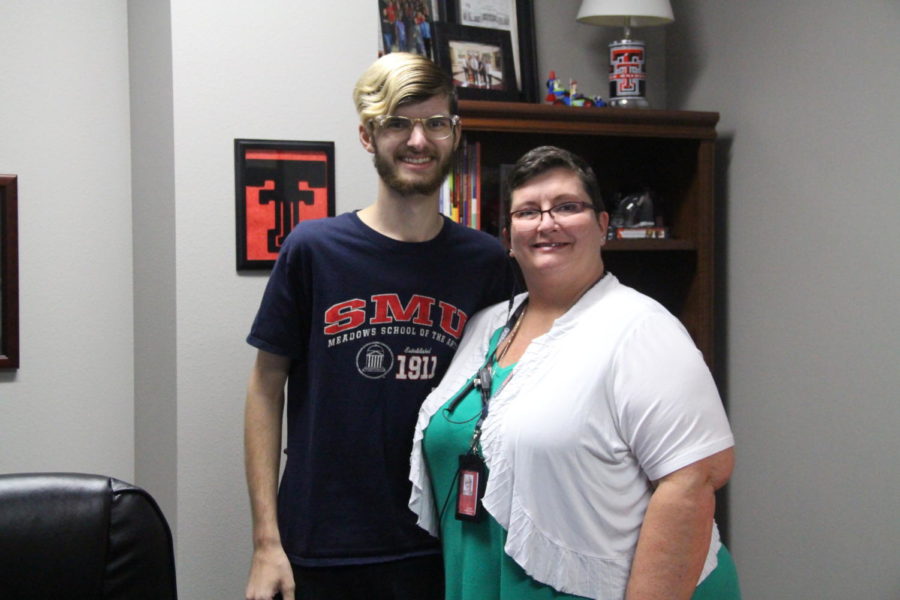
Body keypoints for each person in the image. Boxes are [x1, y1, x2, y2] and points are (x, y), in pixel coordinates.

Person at [409, 146, 741, 600]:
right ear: (508, 236)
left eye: (567, 207)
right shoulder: (486, 325)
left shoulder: (641, 330)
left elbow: (694, 479)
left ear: (603, 226)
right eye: (528, 212)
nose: (547, 223)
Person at [244, 52, 514, 600]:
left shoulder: (488, 264)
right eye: (397, 123)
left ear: (454, 134)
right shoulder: (313, 251)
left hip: (445, 543)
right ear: (368, 136)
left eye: (436, 123)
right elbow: (265, 389)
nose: (419, 140)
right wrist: (266, 542)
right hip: (321, 546)